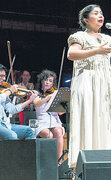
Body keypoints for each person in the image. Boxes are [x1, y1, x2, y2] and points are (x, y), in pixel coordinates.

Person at [67, 4, 111, 168]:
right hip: (86, 82)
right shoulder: (79, 36)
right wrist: (96, 51)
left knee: (102, 119)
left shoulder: (107, 38)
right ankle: (83, 165)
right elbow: (72, 54)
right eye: (96, 13)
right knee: (88, 118)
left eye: (101, 13)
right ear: (86, 19)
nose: (100, 16)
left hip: (103, 83)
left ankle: (103, 163)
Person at [0, 62, 38, 140]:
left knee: (30, 131)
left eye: (4, 76)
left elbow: (12, 109)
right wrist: (10, 91)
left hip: (3, 124)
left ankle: (24, 152)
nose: (4, 79)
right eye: (1, 76)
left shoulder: (2, 91)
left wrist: (30, 100)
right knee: (12, 135)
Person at [33, 69, 64, 161]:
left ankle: (59, 160)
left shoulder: (55, 94)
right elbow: (37, 104)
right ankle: (48, 161)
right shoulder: (36, 94)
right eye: (46, 80)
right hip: (41, 123)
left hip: (54, 121)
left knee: (58, 132)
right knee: (49, 135)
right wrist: (47, 98)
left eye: (50, 81)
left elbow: (60, 113)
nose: (47, 82)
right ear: (41, 81)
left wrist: (63, 106)